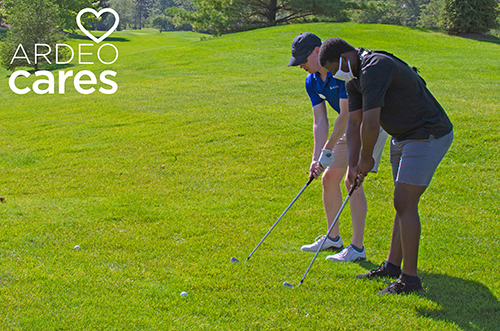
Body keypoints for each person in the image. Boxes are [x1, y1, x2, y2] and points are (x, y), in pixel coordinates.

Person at [318, 38, 453, 294]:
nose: (336, 74)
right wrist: (353, 164)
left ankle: (409, 280)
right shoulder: (355, 79)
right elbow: (353, 123)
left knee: (404, 201)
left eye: (335, 68)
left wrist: (366, 160)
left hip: (428, 133)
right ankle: (392, 266)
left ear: (346, 55)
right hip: (403, 136)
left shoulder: (375, 67)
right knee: (402, 203)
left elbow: (371, 123)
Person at [288, 33, 388, 262]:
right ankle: (333, 238)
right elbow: (320, 122)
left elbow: (344, 116)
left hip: (370, 124)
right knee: (328, 178)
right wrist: (317, 159)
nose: (301, 65)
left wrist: (328, 150)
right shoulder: (312, 81)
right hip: (350, 127)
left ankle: (357, 248)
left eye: (304, 59)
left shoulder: (339, 72)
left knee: (351, 180)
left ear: (317, 51)